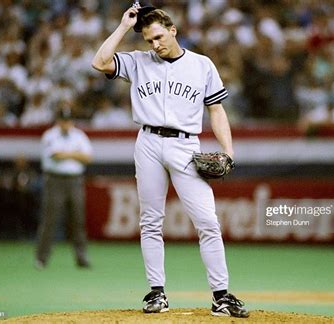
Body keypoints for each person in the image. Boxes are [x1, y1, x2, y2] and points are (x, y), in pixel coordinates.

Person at [91, 2, 248, 318]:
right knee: (150, 221)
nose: (155, 44)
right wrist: (124, 27)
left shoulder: (202, 65)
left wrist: (229, 152)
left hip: (185, 145)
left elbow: (216, 110)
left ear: (173, 30)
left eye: (160, 37)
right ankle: (156, 293)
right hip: (147, 142)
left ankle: (221, 296)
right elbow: (100, 61)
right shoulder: (138, 62)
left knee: (207, 221)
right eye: (149, 40)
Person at [34, 108, 93, 269]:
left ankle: (81, 257)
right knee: (50, 220)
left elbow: (88, 157)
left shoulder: (79, 135)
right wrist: (75, 154)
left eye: (68, 120)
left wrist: (66, 153)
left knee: (78, 219)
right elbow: (54, 155)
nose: (66, 123)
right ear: (58, 120)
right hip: (55, 180)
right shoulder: (50, 135)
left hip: (74, 181)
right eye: (63, 120)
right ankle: (41, 258)